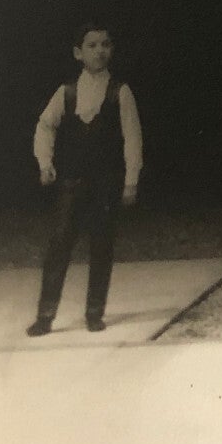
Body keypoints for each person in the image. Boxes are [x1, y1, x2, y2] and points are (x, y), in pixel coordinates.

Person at [26, 25, 143, 336]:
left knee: (102, 247)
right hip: (71, 183)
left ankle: (94, 313)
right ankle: (45, 315)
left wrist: (131, 180)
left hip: (106, 184)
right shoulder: (67, 92)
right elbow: (45, 125)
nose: (99, 51)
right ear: (78, 53)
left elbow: (133, 138)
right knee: (59, 246)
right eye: (91, 45)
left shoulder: (121, 92)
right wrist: (45, 162)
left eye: (105, 44)